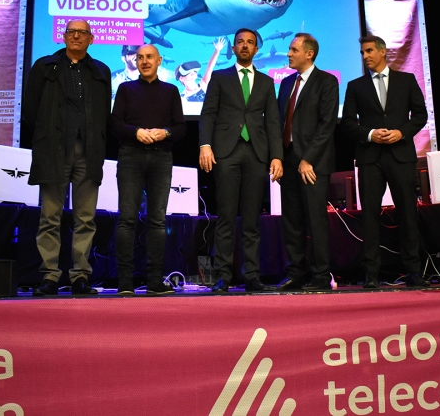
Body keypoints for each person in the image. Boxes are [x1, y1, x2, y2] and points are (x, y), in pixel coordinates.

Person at [23, 19, 111, 296]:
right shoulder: (45, 67)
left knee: (86, 218)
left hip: (88, 151)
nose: (76, 37)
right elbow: (31, 109)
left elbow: (104, 115)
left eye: (82, 33)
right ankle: (50, 276)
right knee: (50, 216)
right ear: (63, 37)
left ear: (91, 39)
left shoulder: (101, 71)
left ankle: (80, 277)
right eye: (71, 32)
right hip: (53, 150)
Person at [341, 35, 429, 288]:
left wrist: (402, 132)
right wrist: (369, 134)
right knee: (369, 216)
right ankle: (371, 275)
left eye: (369, 51)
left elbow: (420, 115)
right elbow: (347, 122)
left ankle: (414, 273)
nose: (365, 55)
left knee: (408, 215)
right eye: (362, 52)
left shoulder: (406, 80)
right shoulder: (356, 86)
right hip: (370, 158)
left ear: (382, 52)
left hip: (400, 155)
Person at [199, 28, 283, 293]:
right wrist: (205, 145)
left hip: (257, 154)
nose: (245, 46)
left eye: (250, 43)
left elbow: (272, 122)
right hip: (226, 152)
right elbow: (208, 114)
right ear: (233, 48)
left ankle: (252, 276)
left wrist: (277, 156)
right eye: (240, 43)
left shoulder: (267, 82)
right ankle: (223, 276)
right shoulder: (221, 78)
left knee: (251, 220)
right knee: (225, 217)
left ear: (257, 49)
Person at [110, 44, 186, 295]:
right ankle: (125, 282)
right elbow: (115, 124)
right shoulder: (125, 89)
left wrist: (166, 132)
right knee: (127, 219)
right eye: (140, 57)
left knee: (157, 220)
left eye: (149, 57)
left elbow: (180, 128)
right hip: (130, 156)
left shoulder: (171, 90)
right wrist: (135, 132)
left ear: (159, 60)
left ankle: (154, 280)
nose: (144, 61)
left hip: (161, 157)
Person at [276, 33, 339, 291]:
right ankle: (296, 273)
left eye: (293, 50)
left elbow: (327, 125)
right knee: (292, 221)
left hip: (312, 165)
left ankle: (321, 275)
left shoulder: (327, 81)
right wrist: (278, 157)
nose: (288, 54)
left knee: (315, 220)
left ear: (309, 53)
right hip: (288, 162)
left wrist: (307, 159)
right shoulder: (286, 83)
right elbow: (279, 123)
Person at [175, 37, 227, 102]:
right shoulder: (182, 98)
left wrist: (217, 51)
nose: (193, 72)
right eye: (188, 71)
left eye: (194, 70)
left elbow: (210, 67)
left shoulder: (203, 85)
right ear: (181, 78)